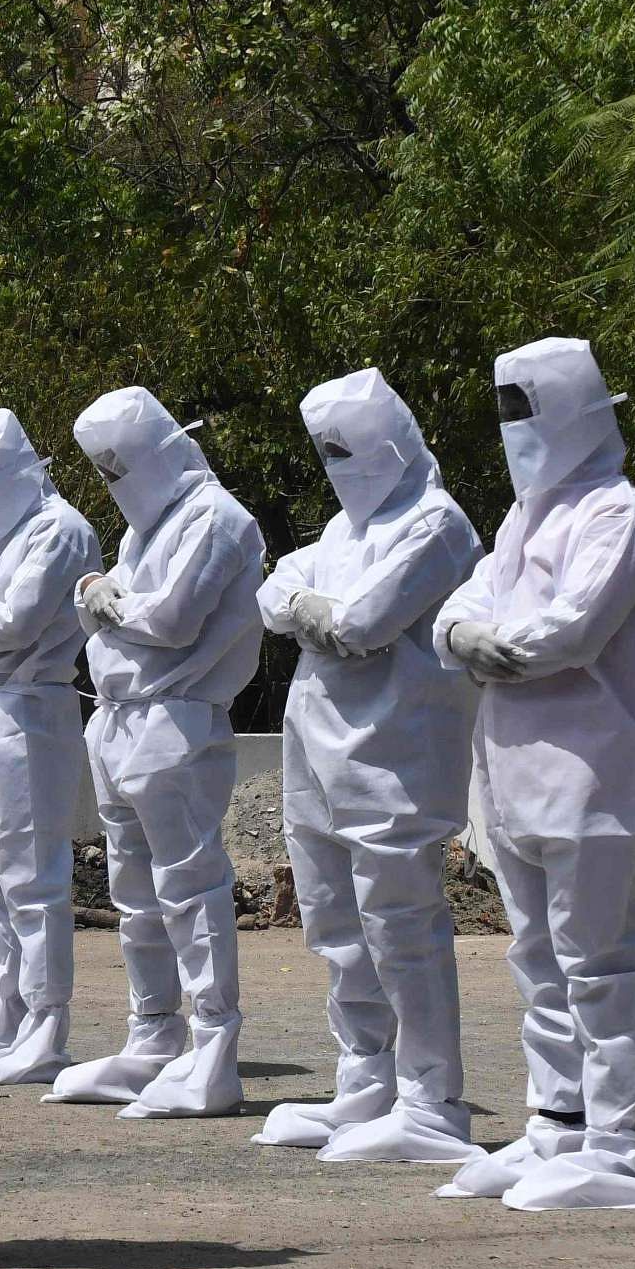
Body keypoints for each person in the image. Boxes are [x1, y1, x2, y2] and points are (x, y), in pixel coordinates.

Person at [431, 336, 635, 1209]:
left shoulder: (622, 516)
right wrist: (466, 635)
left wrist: (490, 644)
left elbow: (572, 628)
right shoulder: (522, 518)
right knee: (539, 955)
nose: (515, 435)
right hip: (511, 768)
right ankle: (558, 1118)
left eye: (528, 413)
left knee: (600, 958)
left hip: (594, 766)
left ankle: (617, 1138)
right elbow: (470, 603)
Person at [252, 371, 485, 1163]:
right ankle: (366, 1078)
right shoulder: (344, 530)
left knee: (400, 925)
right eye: (327, 452)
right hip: (316, 740)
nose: (338, 464)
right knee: (333, 920)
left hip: (395, 749)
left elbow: (365, 618)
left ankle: (430, 1098)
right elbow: (277, 589)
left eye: (348, 447)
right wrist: (316, 610)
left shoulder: (437, 523)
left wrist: (320, 611)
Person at [49, 387, 265, 1120]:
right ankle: (153, 1033)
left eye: (118, 467)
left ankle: (212, 1047)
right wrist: (95, 591)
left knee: (191, 890)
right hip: (118, 722)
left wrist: (108, 605)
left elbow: (171, 619)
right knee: (135, 898)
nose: (113, 484)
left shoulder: (218, 518)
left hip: (176, 721)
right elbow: (114, 610)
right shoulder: (151, 526)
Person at [0, 404, 100, 1087]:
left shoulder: (59, 529)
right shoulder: (1, 537)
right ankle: (3, 1006)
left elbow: (16, 620)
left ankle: (46, 1020)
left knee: (33, 877)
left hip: (28, 707)